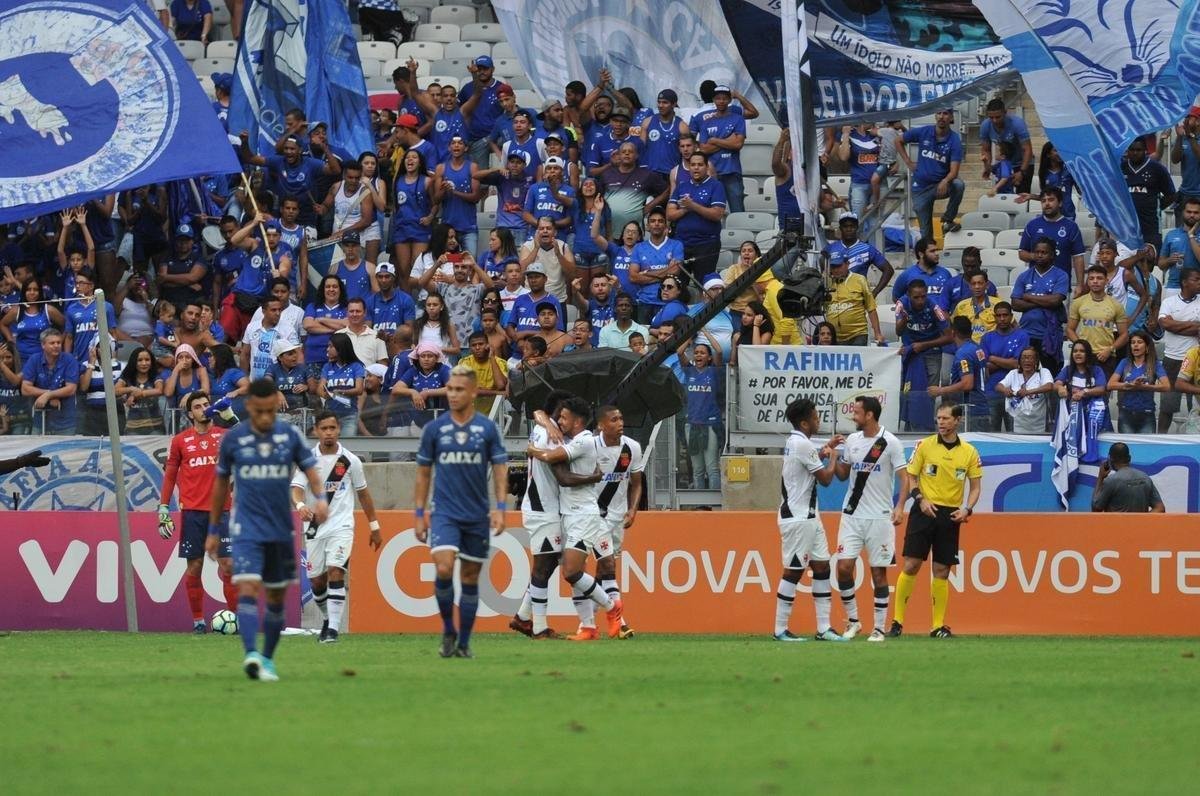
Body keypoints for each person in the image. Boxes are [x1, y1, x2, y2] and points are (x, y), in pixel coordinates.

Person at [210, 378, 327, 681]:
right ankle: (251, 655)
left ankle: (268, 659)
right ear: (249, 406)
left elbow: (311, 470)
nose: (264, 417)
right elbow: (221, 484)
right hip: (246, 528)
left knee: (275, 598)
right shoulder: (234, 440)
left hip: (279, 530)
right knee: (247, 588)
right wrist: (213, 529)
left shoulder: (289, 435)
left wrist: (322, 498)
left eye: (270, 411)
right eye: (259, 411)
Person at [414, 365, 508, 658]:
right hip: (444, 513)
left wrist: (500, 508)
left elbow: (500, 467)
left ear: (473, 392)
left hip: (477, 515)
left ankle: (464, 642)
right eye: (450, 389)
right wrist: (419, 513)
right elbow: (423, 473)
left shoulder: (487, 429)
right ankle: (447, 629)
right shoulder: (435, 429)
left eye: (458, 390)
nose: (452, 395)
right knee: (443, 567)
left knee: (469, 578)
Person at [525, 397, 623, 641]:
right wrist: (546, 423)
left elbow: (553, 463)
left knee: (570, 572)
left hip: (583, 515)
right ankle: (588, 628)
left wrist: (531, 450)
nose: (560, 421)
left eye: (564, 417)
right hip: (569, 514)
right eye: (558, 417)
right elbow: (538, 410)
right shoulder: (570, 437)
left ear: (577, 421)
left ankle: (612, 608)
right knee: (569, 571)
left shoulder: (584, 441)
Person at [291, 411, 383, 643]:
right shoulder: (307, 460)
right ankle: (326, 618)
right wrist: (301, 504)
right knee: (317, 582)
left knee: (336, 571)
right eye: (324, 429)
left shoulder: (351, 461)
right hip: (314, 529)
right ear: (316, 431)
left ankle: (333, 629)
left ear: (339, 429)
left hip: (342, 526)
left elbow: (364, 495)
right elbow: (297, 488)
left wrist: (374, 526)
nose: (329, 432)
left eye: (332, 428)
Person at [892, 404, 982, 639]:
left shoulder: (969, 452)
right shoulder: (924, 445)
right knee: (911, 565)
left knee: (941, 570)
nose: (940, 422)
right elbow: (911, 476)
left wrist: (967, 509)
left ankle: (937, 626)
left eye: (945, 418)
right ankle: (897, 622)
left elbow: (975, 487)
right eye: (938, 418)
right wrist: (919, 499)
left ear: (957, 421)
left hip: (950, 514)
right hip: (924, 510)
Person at [158, 391, 237, 631]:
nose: (204, 408)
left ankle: (235, 620)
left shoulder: (225, 436)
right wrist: (163, 508)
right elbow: (171, 475)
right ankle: (199, 622)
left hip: (222, 512)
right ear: (190, 413)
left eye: (206, 404)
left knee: (229, 566)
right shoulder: (181, 440)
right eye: (198, 406)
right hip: (192, 513)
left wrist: (231, 418)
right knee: (194, 567)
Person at [832, 396, 908, 642]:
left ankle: (878, 627)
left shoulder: (890, 443)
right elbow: (843, 475)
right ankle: (853, 621)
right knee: (843, 569)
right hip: (852, 515)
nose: (853, 416)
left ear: (870, 415)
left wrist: (899, 507)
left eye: (856, 412)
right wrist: (834, 456)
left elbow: (905, 478)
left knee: (878, 574)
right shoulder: (852, 441)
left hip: (879, 517)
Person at [773, 398, 844, 642]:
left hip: (811, 517)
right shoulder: (802, 445)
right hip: (798, 517)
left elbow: (810, 460)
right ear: (804, 422)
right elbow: (825, 479)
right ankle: (779, 629)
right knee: (793, 571)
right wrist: (833, 457)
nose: (818, 420)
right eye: (815, 417)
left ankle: (824, 628)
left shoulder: (798, 442)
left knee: (822, 567)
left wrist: (825, 448)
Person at [593, 405, 642, 639]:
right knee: (608, 566)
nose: (620, 422)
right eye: (614, 419)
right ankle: (619, 622)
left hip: (618, 517)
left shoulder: (631, 448)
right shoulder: (590, 447)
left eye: (621, 418)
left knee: (602, 571)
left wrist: (633, 510)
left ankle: (587, 623)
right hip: (595, 516)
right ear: (602, 425)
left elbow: (636, 483)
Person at [902, 108, 965, 241]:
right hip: (920, 188)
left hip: (939, 186)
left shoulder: (954, 140)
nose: (941, 116)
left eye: (945, 113)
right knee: (926, 234)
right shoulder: (924, 131)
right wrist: (908, 161)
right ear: (935, 116)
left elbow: (954, 171)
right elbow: (898, 141)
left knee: (958, 185)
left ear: (951, 118)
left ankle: (947, 220)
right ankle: (929, 255)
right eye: (939, 113)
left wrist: (945, 181)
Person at [1011, 237, 1070, 373]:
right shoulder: (1024, 276)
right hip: (1027, 333)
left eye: (1044, 252)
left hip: (1049, 334)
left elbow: (1055, 301)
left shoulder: (1061, 275)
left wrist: (1028, 296)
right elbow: (1015, 304)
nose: (1039, 255)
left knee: (1051, 373)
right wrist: (1044, 301)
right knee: (1026, 372)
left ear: (1052, 255)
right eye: (1037, 252)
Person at [666, 152, 727, 281]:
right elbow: (670, 214)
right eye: (693, 165)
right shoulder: (682, 186)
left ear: (707, 167)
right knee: (678, 284)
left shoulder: (716, 186)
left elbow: (717, 214)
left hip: (706, 244)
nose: (696, 168)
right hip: (681, 244)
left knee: (704, 285)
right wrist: (685, 210)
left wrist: (692, 205)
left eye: (700, 164)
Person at [1018, 187, 1086, 292]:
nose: (1047, 204)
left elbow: (1078, 258)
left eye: (1051, 200)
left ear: (1060, 203)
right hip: (1034, 286)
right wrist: (1037, 256)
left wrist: (1080, 285)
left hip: (1060, 286)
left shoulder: (1071, 227)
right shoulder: (1032, 225)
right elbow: (1022, 253)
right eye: (1043, 201)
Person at [1157, 268, 1200, 432]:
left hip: (1196, 359)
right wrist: (1195, 326)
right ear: (1184, 282)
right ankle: (1160, 439)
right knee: (1167, 406)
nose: (1199, 282)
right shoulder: (1169, 302)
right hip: (1173, 359)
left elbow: (1172, 326)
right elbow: (1165, 325)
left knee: (1195, 406)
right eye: (1196, 279)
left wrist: (1177, 326)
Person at [1068, 264, 1129, 379]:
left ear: (1106, 281)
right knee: (1081, 391)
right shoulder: (1078, 302)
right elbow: (1070, 329)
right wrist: (1081, 348)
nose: (1095, 281)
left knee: (1103, 393)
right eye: (1091, 278)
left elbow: (1124, 335)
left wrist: (1110, 349)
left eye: (1099, 278)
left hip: (1105, 356)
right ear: (1088, 281)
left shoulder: (1116, 305)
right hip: (1084, 356)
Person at [930, 316, 990, 432]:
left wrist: (941, 390)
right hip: (982, 408)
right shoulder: (978, 349)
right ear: (971, 332)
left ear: (953, 333)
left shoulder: (963, 353)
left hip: (970, 413)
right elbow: (986, 373)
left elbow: (967, 384)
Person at [695, 85, 746, 213]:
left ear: (729, 100)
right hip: (711, 174)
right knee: (710, 211)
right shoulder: (706, 123)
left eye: (724, 98)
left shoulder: (737, 118)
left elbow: (738, 144)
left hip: (732, 172)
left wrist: (715, 140)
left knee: (737, 211)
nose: (721, 101)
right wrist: (728, 140)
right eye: (718, 98)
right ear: (714, 100)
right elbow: (704, 149)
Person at [980, 302, 1030, 432]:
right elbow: (985, 367)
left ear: (1011, 316)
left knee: (1014, 435)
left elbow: (1017, 364)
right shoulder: (986, 338)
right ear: (994, 317)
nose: (1002, 318)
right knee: (990, 436)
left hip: (1014, 393)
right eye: (999, 315)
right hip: (991, 392)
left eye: (1005, 315)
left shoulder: (1022, 336)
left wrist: (992, 357)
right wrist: (1008, 362)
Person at [630, 207, 685, 323]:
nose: (656, 224)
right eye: (653, 221)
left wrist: (646, 274)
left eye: (660, 221)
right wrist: (666, 271)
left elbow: (675, 272)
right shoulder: (639, 247)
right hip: (645, 302)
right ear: (647, 226)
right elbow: (633, 277)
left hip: (668, 303)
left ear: (666, 225)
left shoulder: (676, 245)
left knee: (667, 338)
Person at [1108, 330, 1169, 433]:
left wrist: (1145, 387)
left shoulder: (1155, 364)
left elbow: (1167, 386)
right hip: (1126, 414)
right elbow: (1110, 385)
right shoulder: (1124, 362)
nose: (1135, 345)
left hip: (1147, 414)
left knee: (1146, 448)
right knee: (1127, 447)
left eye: (1139, 342)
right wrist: (1129, 385)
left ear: (1147, 347)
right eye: (1133, 342)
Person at [20, 328, 79, 434]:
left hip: (65, 421)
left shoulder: (69, 359)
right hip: (39, 419)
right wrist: (48, 394)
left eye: (59, 343)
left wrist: (48, 396)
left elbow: (71, 389)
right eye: (52, 343)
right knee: (37, 450)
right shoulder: (34, 359)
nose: (56, 345)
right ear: (43, 345)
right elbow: (25, 389)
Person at [1122, 137, 1175, 251]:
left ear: (1146, 150)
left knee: (1150, 260)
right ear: (1127, 150)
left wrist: (1156, 206)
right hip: (1126, 225)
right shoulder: (1121, 168)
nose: (1135, 153)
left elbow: (1171, 195)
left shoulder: (1157, 168)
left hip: (1151, 225)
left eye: (1139, 150)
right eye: (1132, 149)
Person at [825, 250, 886, 346]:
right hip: (833, 336)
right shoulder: (825, 282)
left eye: (839, 266)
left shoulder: (860, 280)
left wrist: (877, 334)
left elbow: (871, 308)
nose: (836, 270)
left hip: (858, 334)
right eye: (833, 267)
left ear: (847, 264)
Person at [828, 213, 893, 298]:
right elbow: (822, 268)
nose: (849, 229)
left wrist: (874, 294)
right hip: (836, 299)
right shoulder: (830, 248)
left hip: (859, 300)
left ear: (857, 228)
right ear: (840, 228)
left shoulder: (867, 249)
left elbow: (888, 270)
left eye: (852, 226)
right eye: (845, 226)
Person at [979, 97, 1035, 194]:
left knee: (1021, 195)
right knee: (1003, 192)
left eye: (998, 117)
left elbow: (1027, 149)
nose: (994, 121)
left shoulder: (1017, 123)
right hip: (1004, 163)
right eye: (991, 117)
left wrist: (1022, 171)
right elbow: (986, 149)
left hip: (1023, 162)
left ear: (1005, 112)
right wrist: (987, 167)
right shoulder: (986, 125)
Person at [997, 347, 1056, 434]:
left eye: (1030, 357)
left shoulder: (1043, 372)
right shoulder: (1013, 373)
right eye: (1024, 357)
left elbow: (1049, 386)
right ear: (1020, 361)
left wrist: (1028, 392)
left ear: (1036, 361)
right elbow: (998, 386)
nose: (1027, 360)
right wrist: (1005, 390)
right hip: (1018, 424)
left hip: (1040, 424)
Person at [1092, 443, 1165, 512]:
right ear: (1129, 458)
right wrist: (1140, 520)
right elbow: (1160, 508)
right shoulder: (1145, 478)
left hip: (1116, 525)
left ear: (1110, 460)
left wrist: (1100, 478)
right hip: (1140, 525)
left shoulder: (1110, 481)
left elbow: (1096, 508)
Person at [319, 335, 366, 437]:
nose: (328, 349)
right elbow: (320, 389)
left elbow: (359, 389)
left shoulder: (356, 366)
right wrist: (325, 393)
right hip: (329, 416)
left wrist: (340, 392)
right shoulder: (327, 367)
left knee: (348, 447)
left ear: (341, 348)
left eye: (331, 347)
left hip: (349, 414)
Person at [951, 270, 997, 343]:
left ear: (987, 285)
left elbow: (1013, 327)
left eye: (980, 283)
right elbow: (954, 327)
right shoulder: (961, 305)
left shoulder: (998, 304)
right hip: (968, 348)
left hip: (990, 347)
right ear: (969, 286)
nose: (977, 287)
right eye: (973, 284)